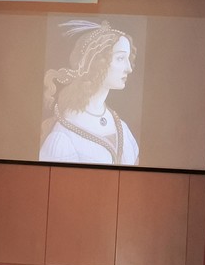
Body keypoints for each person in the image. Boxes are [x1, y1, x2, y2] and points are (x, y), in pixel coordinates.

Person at [39, 20, 139, 165]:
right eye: (120, 58)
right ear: (97, 63)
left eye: (128, 59)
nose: (129, 68)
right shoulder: (63, 136)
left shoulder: (121, 126)